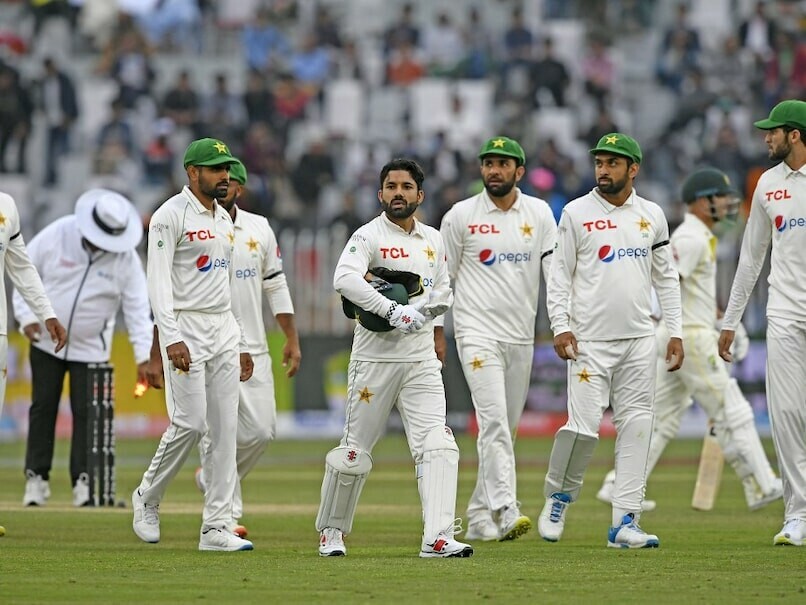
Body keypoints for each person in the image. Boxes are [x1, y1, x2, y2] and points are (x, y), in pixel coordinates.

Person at [597, 168, 782, 511]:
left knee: (660, 421)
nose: (726, 203)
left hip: (683, 335)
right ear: (700, 201)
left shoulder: (700, 237)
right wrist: (662, 324)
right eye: (720, 197)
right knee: (731, 408)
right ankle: (761, 484)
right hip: (689, 339)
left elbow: (689, 292)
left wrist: (723, 320)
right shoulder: (690, 239)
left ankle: (618, 484)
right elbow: (665, 285)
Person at [316, 158, 472, 559]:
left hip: (420, 361)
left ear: (420, 195)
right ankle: (332, 531)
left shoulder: (433, 239)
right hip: (374, 361)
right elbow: (344, 279)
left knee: (438, 444)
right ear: (380, 193)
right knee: (355, 451)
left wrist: (431, 323)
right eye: (391, 186)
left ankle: (437, 537)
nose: (398, 193)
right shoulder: (367, 235)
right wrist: (391, 311)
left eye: (406, 187)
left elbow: (443, 290)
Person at [538, 133, 684, 549]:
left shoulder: (652, 214)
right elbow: (559, 275)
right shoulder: (576, 212)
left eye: (612, 163)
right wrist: (560, 325)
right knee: (582, 430)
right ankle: (558, 500)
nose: (603, 170)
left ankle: (625, 522)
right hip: (589, 341)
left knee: (637, 427)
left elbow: (666, 278)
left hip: (639, 339)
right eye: (599, 162)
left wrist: (674, 331)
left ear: (633, 168)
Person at [131, 138, 255, 552]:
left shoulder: (224, 219)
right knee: (190, 423)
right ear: (192, 172)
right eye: (216, 169)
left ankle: (216, 527)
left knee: (224, 431)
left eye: (227, 169)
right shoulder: (169, 215)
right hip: (186, 326)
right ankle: (147, 496)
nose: (224, 176)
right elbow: (157, 284)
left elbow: (227, 286)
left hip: (223, 328)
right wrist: (171, 337)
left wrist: (240, 340)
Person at [437, 136, 556, 542]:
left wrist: (562, 324)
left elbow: (554, 275)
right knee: (493, 423)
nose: (494, 170)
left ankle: (476, 515)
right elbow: (442, 279)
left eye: (503, 164)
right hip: (476, 333)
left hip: (521, 337)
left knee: (505, 428)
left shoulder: (539, 213)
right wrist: (437, 330)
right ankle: (506, 508)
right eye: (489, 163)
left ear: (519, 171)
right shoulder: (460, 215)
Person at [15, 189, 149, 507]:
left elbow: (137, 309)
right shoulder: (59, 233)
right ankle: (36, 479)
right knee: (43, 408)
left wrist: (143, 356)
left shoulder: (126, 259)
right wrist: (26, 317)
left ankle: (84, 482)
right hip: (45, 341)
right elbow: (23, 271)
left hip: (91, 349)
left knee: (88, 414)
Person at [193, 159, 302, 537]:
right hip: (210, 344)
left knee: (262, 431)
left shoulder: (259, 228)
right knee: (217, 433)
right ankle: (225, 517)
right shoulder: (194, 226)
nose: (223, 186)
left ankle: (211, 477)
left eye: (230, 182)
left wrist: (291, 337)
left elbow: (276, 284)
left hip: (253, 346)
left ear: (239, 188)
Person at [718, 99, 806, 547]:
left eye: (773, 131)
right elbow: (751, 258)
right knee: (787, 415)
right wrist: (730, 321)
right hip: (785, 312)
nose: (765, 137)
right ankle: (797, 515)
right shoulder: (767, 184)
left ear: (795, 135)